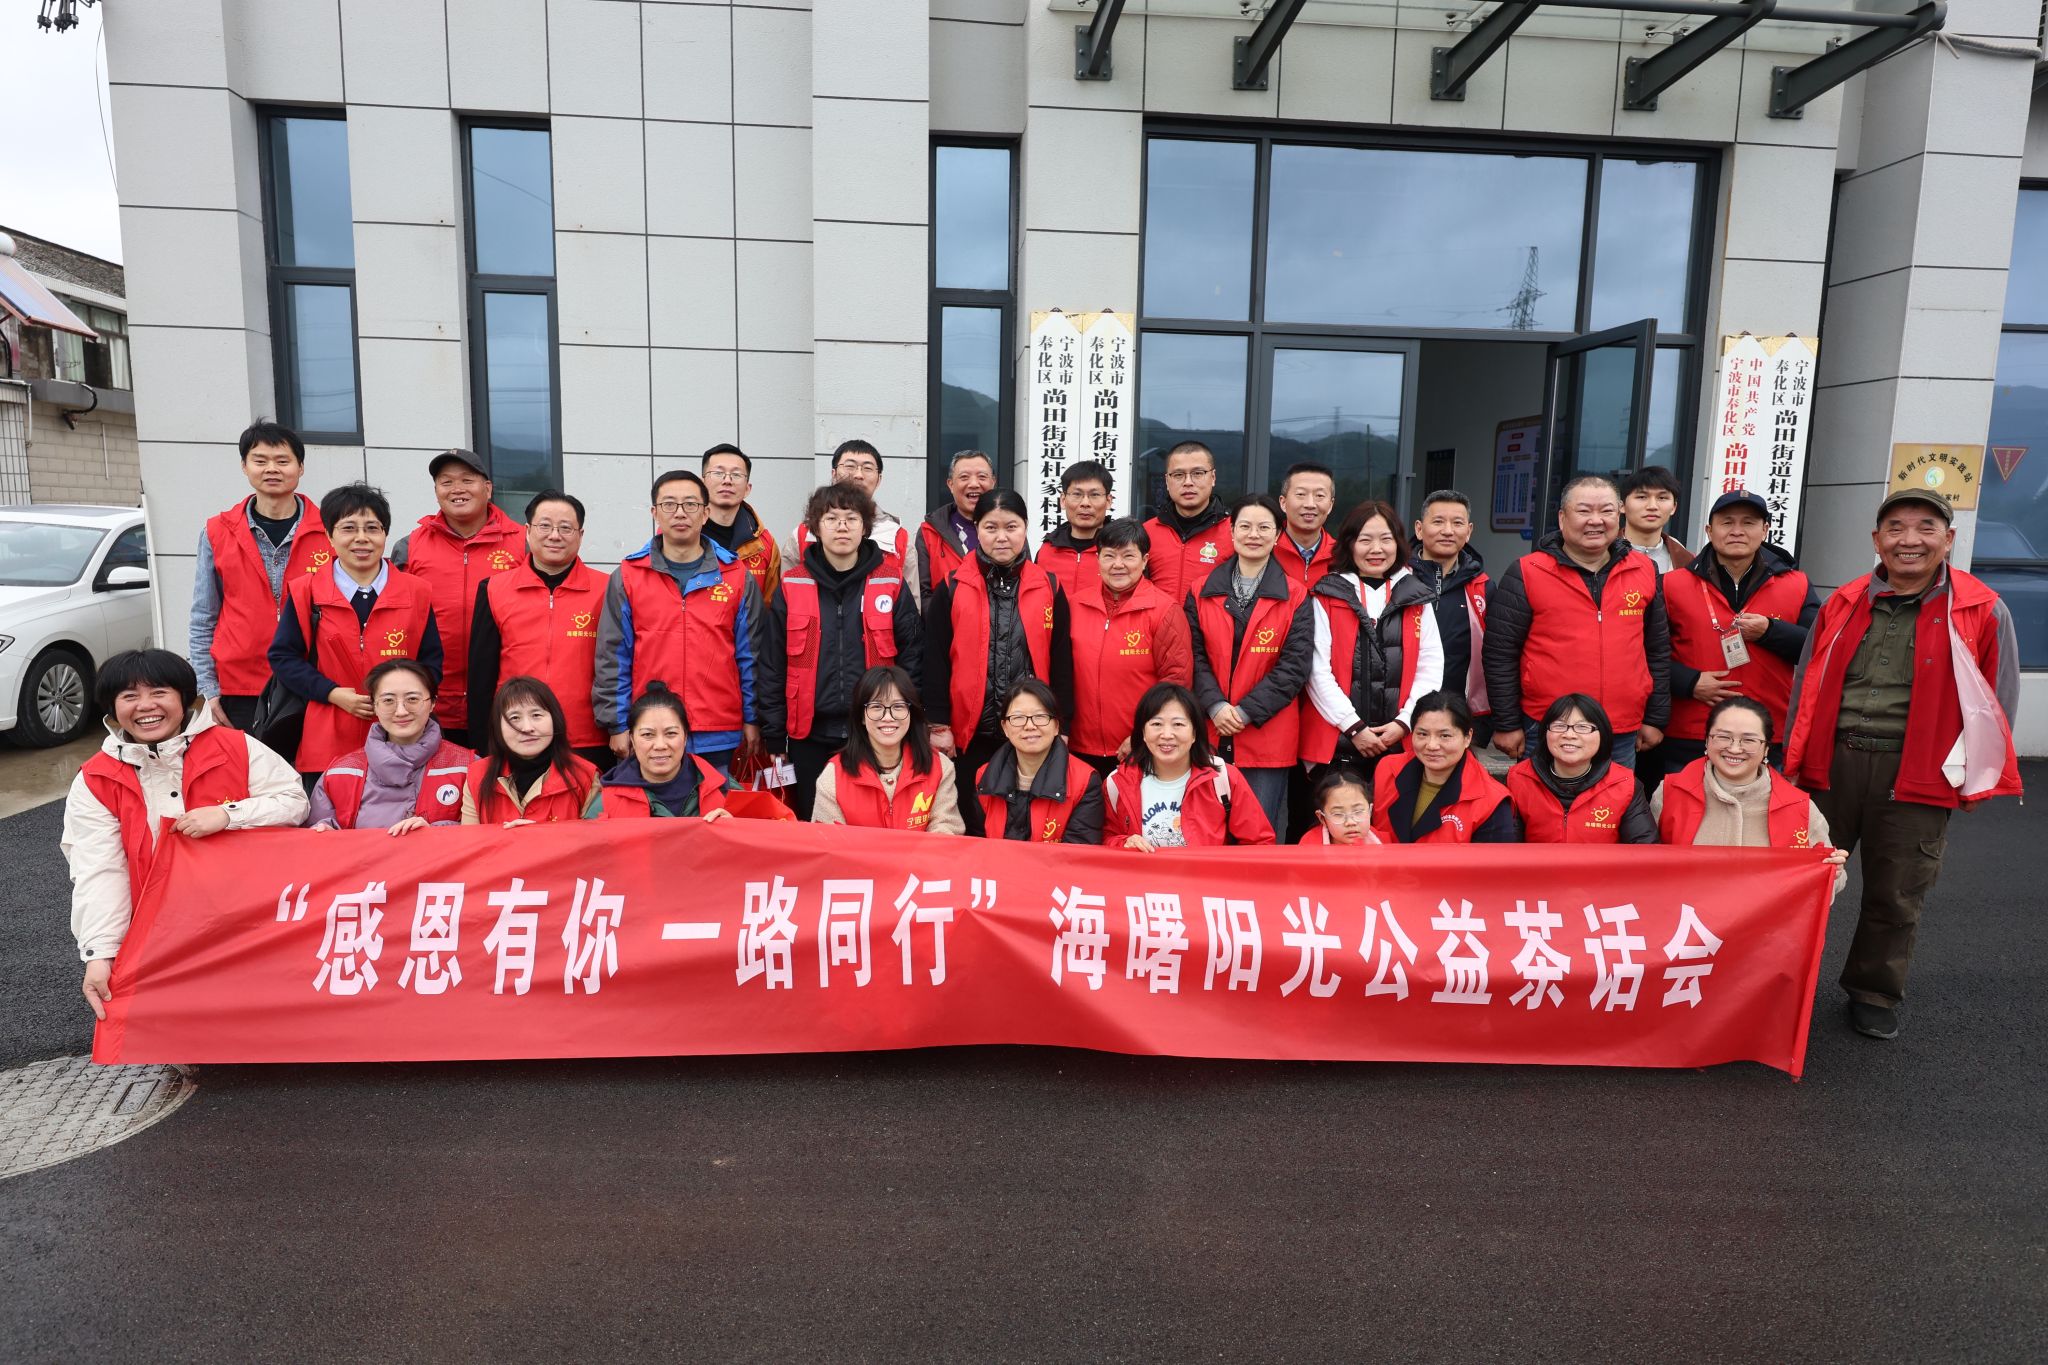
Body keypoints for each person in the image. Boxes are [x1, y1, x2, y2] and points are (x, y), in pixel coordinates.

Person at [1783, 488, 2024, 1041]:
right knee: (1801, 881)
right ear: (1877, 539)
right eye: (1895, 528)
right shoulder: (1845, 601)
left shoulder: (1982, 608)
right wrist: (1792, 762)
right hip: (1831, 764)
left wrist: (1976, 772)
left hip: (1918, 771)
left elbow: (1998, 699)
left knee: (1896, 892)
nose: (1908, 540)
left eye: (1925, 528)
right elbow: (1806, 683)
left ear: (1949, 539)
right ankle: (1781, 981)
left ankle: (1872, 992)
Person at [63, 649, 308, 1018]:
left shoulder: (236, 746)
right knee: (182, 1027)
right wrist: (100, 954)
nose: (146, 706)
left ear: (184, 699)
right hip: (159, 930)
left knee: (263, 1019)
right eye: (130, 696)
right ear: (112, 708)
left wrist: (228, 815)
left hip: (248, 919)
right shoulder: (96, 779)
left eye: (159, 692)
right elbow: (99, 871)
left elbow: (294, 802)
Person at [1483, 473, 1670, 770]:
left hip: (1621, 730)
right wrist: (1506, 723)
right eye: (1584, 511)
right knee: (1540, 800)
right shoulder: (1527, 572)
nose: (1596, 520)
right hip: (1547, 727)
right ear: (1562, 518)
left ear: (1619, 515)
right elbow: (1499, 653)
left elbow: (1657, 650)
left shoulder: (1644, 569)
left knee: (1614, 800)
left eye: (1606, 511)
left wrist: (1655, 718)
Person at [760, 482, 923, 822]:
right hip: (808, 734)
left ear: (865, 527)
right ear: (815, 528)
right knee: (813, 825)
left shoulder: (890, 583)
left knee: (872, 825)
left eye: (851, 518)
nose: (842, 526)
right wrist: (773, 733)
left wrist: (909, 722)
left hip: (875, 731)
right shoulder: (792, 585)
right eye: (831, 518)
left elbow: (912, 660)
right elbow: (772, 665)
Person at [593, 469, 766, 778]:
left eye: (690, 504)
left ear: (705, 513)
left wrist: (752, 718)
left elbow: (751, 656)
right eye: (669, 504)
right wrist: (617, 724)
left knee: (716, 806)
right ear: (654, 512)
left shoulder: (736, 577)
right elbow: (613, 657)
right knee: (653, 809)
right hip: (651, 730)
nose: (680, 513)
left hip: (718, 729)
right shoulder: (629, 577)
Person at [268, 483, 443, 777]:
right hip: (328, 734)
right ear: (329, 535)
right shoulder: (306, 591)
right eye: (348, 528)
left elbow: (431, 663)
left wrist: (399, 701)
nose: (362, 538)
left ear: (385, 534)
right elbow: (283, 657)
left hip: (401, 736)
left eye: (372, 528)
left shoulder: (417, 592)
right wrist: (332, 693)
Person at [1658, 489, 1819, 787]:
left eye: (1748, 523)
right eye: (1727, 522)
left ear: (1765, 530)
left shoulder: (1797, 584)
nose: (1737, 531)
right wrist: (1689, 682)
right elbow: (1645, 652)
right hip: (1690, 732)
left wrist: (1770, 632)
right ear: (1709, 531)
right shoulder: (1671, 584)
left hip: (1766, 733)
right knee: (1684, 812)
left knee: (1762, 815)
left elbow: (1817, 648)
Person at [923, 488, 1074, 786]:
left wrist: (1063, 725)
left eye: (1011, 527)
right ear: (977, 529)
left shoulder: (1049, 587)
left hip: (1032, 731)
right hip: (970, 735)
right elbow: (935, 659)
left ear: (1025, 528)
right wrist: (939, 725)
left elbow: (1061, 663)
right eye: (991, 527)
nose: (1001, 537)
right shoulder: (953, 586)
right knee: (972, 808)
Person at [190, 420, 332, 732]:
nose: (272, 469)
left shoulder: (331, 531)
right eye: (260, 460)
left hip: (314, 681)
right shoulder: (217, 531)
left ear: (300, 467)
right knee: (247, 764)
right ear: (244, 466)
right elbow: (203, 618)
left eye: (282, 461)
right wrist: (207, 690)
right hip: (239, 688)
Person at [1187, 494, 1312, 838]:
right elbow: (1193, 656)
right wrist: (1215, 706)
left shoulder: (1296, 595)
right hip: (1208, 731)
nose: (1253, 534)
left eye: (1263, 527)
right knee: (1204, 834)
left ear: (1278, 535)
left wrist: (1244, 713)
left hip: (1266, 735)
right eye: (1244, 526)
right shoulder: (1200, 591)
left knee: (1257, 837)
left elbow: (1294, 667)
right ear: (1231, 532)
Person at [468, 490, 612, 770]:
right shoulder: (494, 589)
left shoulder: (607, 590)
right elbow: (481, 677)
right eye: (545, 526)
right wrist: (484, 742)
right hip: (517, 734)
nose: (554, 535)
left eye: (565, 528)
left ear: (580, 535)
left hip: (587, 738)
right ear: (527, 531)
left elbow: (619, 666)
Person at [1302, 499, 1444, 780]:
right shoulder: (1327, 595)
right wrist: (1353, 727)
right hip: (1337, 743)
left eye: (1386, 539)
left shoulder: (1416, 597)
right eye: (1365, 540)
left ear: (1398, 544)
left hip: (1400, 741)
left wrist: (1404, 722)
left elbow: (1430, 667)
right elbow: (1317, 671)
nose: (1376, 549)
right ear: (1349, 544)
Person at [392, 448, 526, 746]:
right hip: (430, 702)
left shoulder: (523, 543)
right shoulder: (409, 546)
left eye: (467, 480)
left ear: (487, 489)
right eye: (446, 482)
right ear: (436, 491)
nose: (457, 489)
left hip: (505, 701)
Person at [1655, 698, 1848, 901]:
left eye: (1748, 740)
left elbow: (1827, 883)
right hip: (1685, 915)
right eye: (1723, 737)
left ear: (1766, 749)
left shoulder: (1799, 808)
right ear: (1707, 741)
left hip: (1765, 920)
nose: (1734, 748)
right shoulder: (1670, 792)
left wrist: (1834, 873)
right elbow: (1645, 866)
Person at [1066, 518, 1193, 772]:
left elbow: (1175, 682)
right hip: (1078, 747)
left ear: (1144, 560)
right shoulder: (1075, 605)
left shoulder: (1164, 610)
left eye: (1128, 556)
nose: (1118, 565)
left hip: (1139, 748)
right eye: (1109, 556)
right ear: (1097, 559)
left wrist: (1141, 735)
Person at [307, 659, 474, 833]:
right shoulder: (340, 773)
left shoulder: (468, 767)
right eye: (388, 700)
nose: (401, 711)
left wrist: (435, 834)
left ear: (432, 703)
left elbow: (484, 834)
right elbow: (316, 832)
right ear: (374, 705)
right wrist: (324, 833)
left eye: (412, 699)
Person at [1102, 682, 1275, 849]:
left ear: (1194, 733)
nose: (1167, 734)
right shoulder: (1117, 783)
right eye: (1156, 724)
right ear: (1143, 733)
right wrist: (1123, 844)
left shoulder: (1223, 777)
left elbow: (1259, 843)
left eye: (1178, 724)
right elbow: (1105, 840)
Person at [811, 666, 964, 833]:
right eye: (877, 707)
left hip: (923, 852)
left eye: (898, 706)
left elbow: (947, 827)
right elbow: (828, 841)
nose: (888, 717)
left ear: (911, 712)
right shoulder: (833, 776)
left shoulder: (940, 767)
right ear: (862, 716)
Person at [1371, 690, 1518, 844]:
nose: (1432, 745)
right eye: (1422, 734)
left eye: (1445, 736)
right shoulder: (1387, 769)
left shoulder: (1491, 801)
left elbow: (1493, 859)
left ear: (1467, 737)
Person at [1505, 693, 1656, 844]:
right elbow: (1506, 848)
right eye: (1559, 726)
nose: (1569, 734)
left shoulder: (1624, 784)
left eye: (1583, 727)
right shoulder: (1519, 779)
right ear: (1545, 733)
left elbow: (1644, 850)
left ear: (1602, 734)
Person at [971, 679, 1104, 843]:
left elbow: (1079, 852)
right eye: (1018, 717)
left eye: (1040, 716)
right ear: (1005, 727)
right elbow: (978, 845)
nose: (1029, 726)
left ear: (1056, 726)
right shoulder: (985, 778)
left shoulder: (1084, 781)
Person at [1410, 489, 1492, 744]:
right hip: (1400, 714)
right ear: (1419, 529)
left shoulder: (1483, 587)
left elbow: (1497, 655)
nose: (1448, 531)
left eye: (1457, 523)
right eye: (1438, 522)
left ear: (1468, 531)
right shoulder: (1398, 580)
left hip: (1458, 716)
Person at [462, 676, 603, 823]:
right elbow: (470, 837)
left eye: (536, 715)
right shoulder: (478, 776)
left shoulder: (584, 776)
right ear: (497, 727)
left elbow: (592, 837)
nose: (527, 728)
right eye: (514, 718)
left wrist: (536, 834)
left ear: (555, 719)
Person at [790, 439, 916, 598]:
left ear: (879, 479)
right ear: (833, 474)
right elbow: (786, 594)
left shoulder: (898, 537)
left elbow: (911, 605)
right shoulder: (801, 535)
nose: (858, 475)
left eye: (867, 468)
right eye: (850, 466)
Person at [597, 682, 735, 820]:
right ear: (632, 740)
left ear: (685, 737)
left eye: (671, 733)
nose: (660, 745)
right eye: (647, 734)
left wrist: (734, 826)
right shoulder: (605, 801)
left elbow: (747, 829)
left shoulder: (724, 787)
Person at [1142, 440, 1232, 607]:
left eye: (1198, 473)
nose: (1188, 482)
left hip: (1210, 624)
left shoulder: (1235, 532)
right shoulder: (1146, 532)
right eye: (1178, 475)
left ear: (1213, 477)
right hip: (1158, 623)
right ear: (1167, 481)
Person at [701, 442, 783, 598]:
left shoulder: (765, 545)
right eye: (718, 473)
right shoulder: (679, 536)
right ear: (702, 483)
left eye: (736, 475)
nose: (727, 480)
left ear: (747, 489)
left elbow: (770, 605)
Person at [915, 449, 996, 601]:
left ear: (993, 482)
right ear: (951, 484)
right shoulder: (929, 532)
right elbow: (922, 595)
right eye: (964, 477)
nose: (974, 484)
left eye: (982, 477)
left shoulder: (1010, 530)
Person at [1035, 460, 1113, 595]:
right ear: (1063, 500)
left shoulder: (1119, 550)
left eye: (1094, 495)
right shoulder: (1046, 551)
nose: (1085, 503)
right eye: (1077, 494)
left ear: (1108, 501)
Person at [1618, 465, 1692, 573]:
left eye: (1662, 498)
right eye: (1642, 497)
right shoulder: (1602, 553)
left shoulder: (1685, 561)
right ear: (1622, 506)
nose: (1652, 506)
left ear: (1674, 507)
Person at [1274, 462, 1337, 588]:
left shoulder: (1341, 556)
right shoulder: (1266, 550)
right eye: (1301, 494)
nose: (1310, 504)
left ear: (1330, 505)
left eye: (1319, 495)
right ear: (1283, 503)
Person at [1299, 767, 1380, 847]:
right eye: (1338, 814)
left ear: (1370, 811)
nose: (1350, 822)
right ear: (1322, 818)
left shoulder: (1382, 840)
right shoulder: (1309, 847)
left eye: (1358, 811)